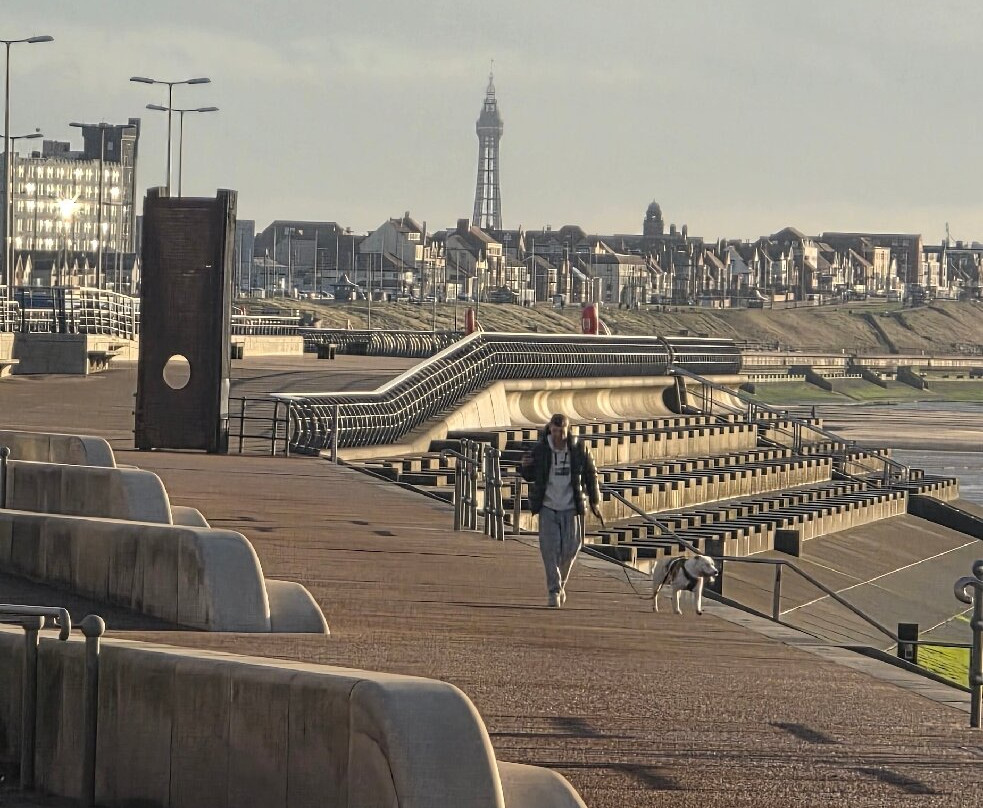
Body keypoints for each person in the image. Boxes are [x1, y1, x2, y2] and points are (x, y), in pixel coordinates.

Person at [520, 413, 602, 608]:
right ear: (550, 429)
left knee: (571, 548)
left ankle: (560, 583)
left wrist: (595, 501)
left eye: (562, 431)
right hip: (548, 505)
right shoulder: (541, 449)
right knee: (549, 550)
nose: (558, 436)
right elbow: (530, 476)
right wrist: (525, 467)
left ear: (568, 430)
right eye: (555, 431)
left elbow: (591, 474)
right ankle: (554, 591)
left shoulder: (578, 448)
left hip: (571, 506)